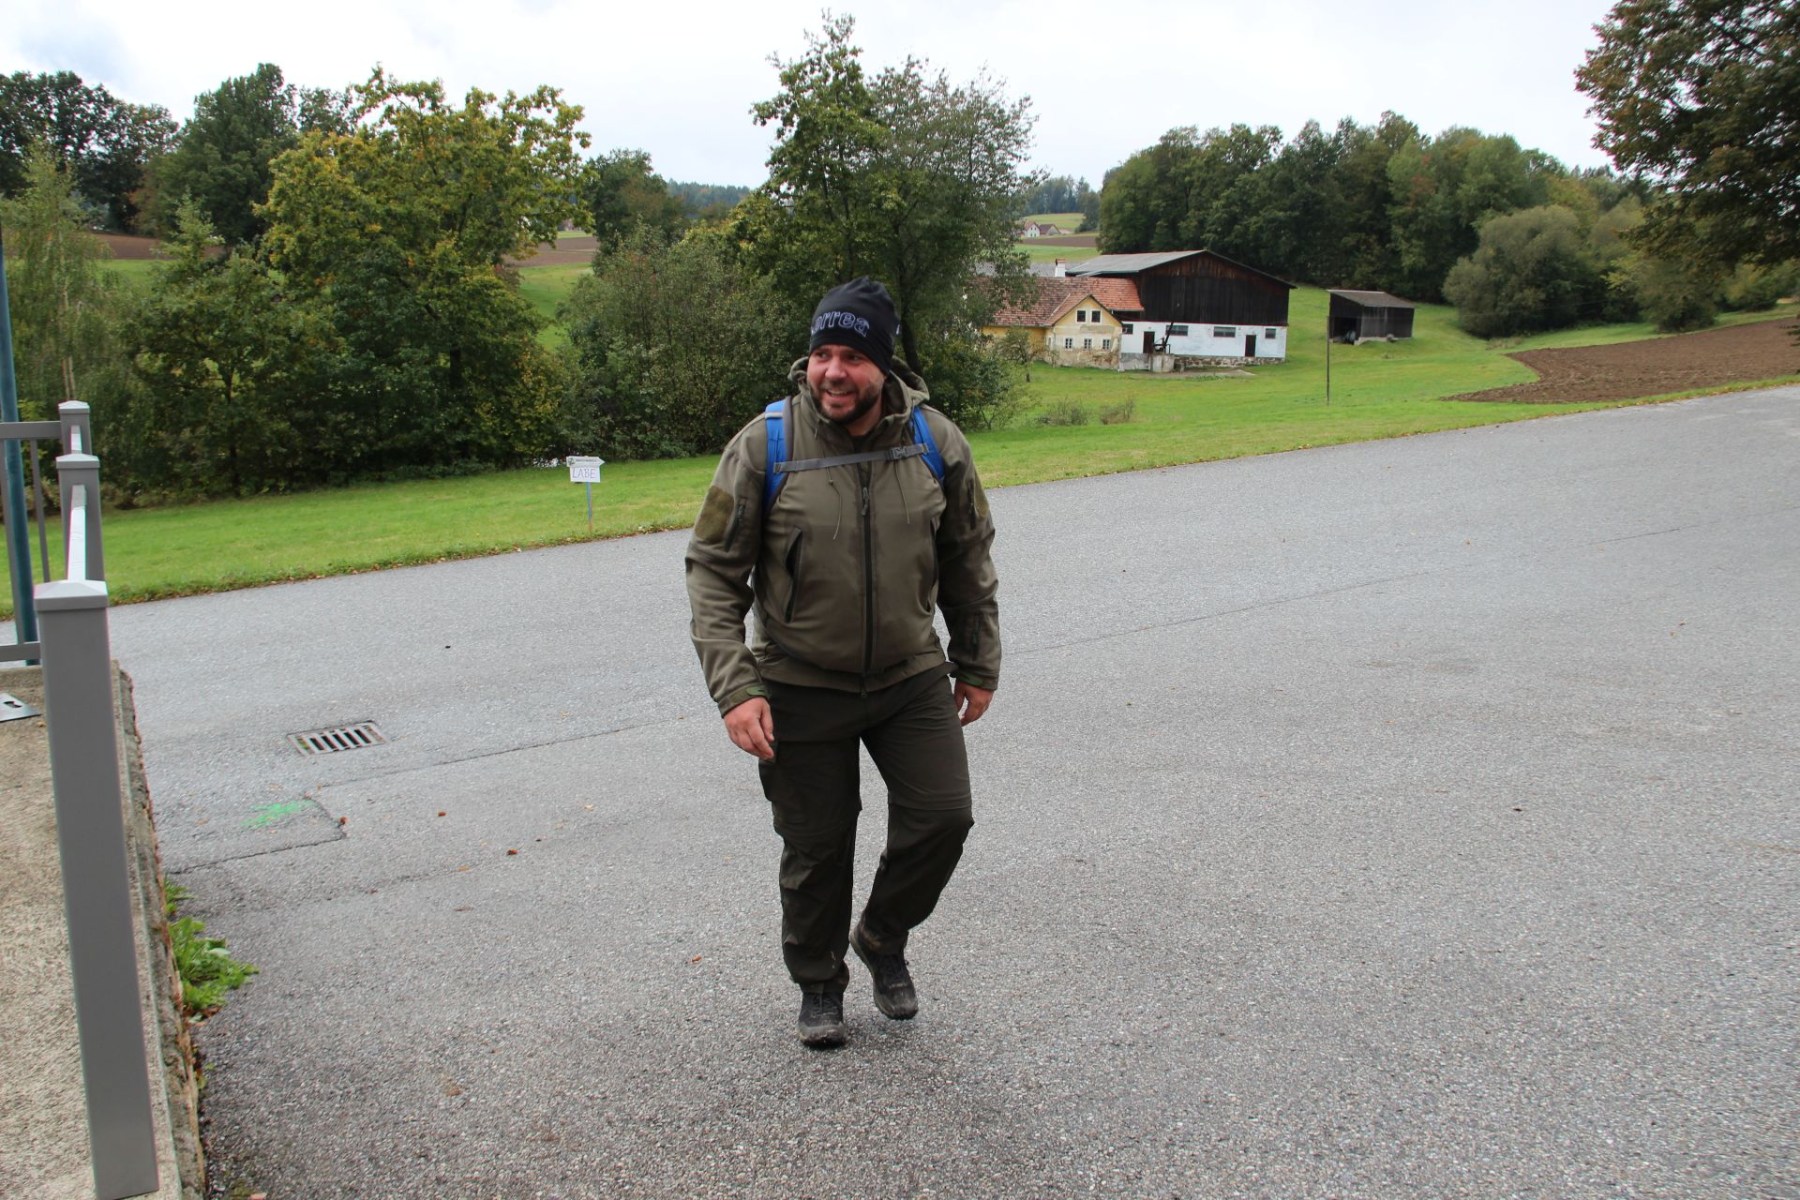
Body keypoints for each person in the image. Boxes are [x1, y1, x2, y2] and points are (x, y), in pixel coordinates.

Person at [685, 276, 1001, 1048]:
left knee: (944, 818)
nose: (832, 371)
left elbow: (967, 556)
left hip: (909, 674)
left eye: (852, 357)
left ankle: (882, 935)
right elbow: (713, 573)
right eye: (823, 353)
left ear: (883, 366)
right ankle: (819, 982)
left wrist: (978, 659)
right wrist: (735, 688)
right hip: (798, 681)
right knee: (816, 847)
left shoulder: (934, 442)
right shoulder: (765, 446)